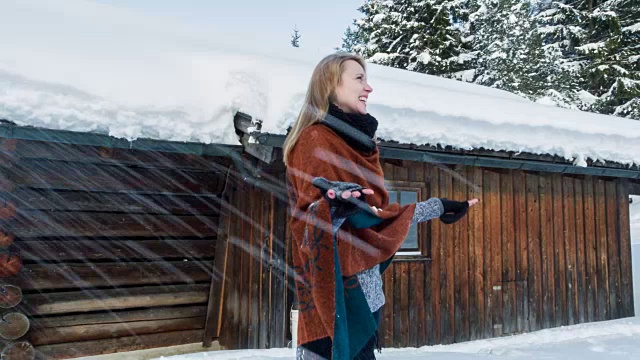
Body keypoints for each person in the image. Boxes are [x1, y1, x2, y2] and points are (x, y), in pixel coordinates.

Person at [284, 53, 479, 360]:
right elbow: (307, 228)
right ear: (331, 85)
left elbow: (375, 216)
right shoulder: (315, 140)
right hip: (334, 308)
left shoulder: (356, 143)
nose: (369, 88)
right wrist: (333, 208)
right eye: (359, 78)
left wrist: (438, 206)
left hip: (366, 300)